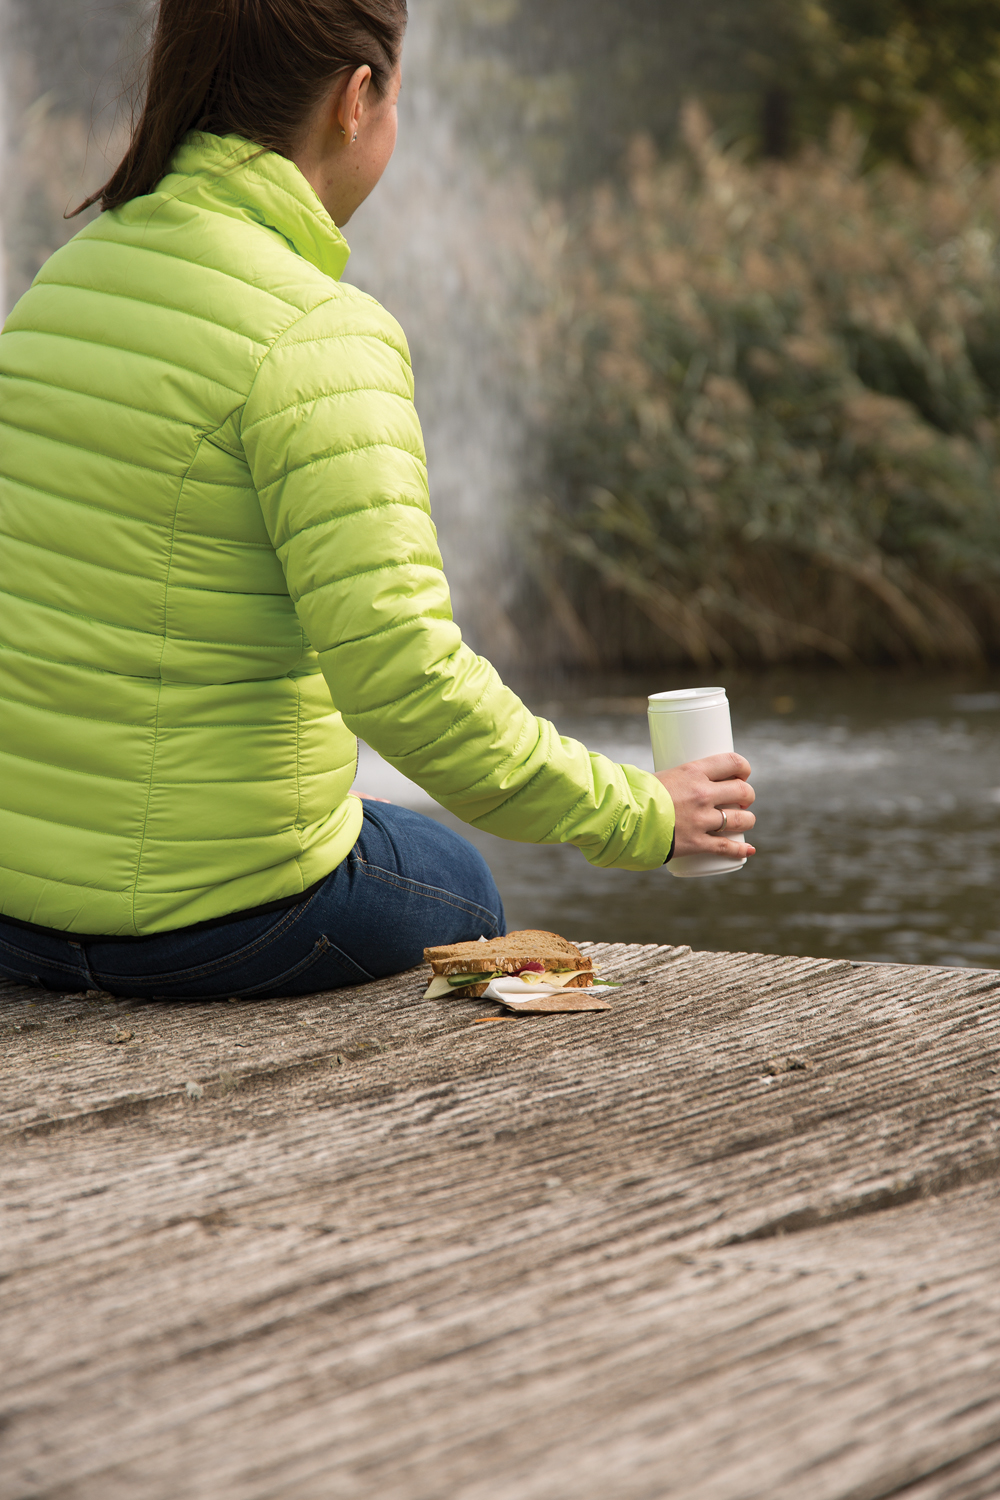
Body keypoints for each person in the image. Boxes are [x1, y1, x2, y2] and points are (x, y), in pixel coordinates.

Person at [0, 0, 755, 1002]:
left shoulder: (59, 288)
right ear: (356, 101)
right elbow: (408, 683)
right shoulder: (318, 334)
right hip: (205, 930)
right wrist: (644, 813)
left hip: (18, 918)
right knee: (455, 885)